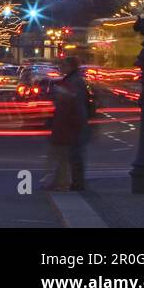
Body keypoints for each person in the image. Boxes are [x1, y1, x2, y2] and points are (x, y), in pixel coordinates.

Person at [46, 56, 92, 191]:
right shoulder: (73, 80)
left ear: (71, 66)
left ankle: (72, 183)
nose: (60, 67)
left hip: (70, 125)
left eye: (63, 64)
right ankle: (65, 182)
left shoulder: (74, 82)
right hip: (70, 124)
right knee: (67, 155)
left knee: (71, 155)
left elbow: (74, 104)